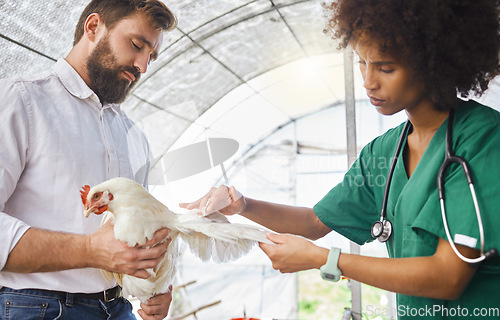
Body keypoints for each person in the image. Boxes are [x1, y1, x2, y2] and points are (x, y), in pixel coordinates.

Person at [181, 0, 500, 319]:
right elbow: (314, 223)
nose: (368, 81)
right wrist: (243, 205)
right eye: (362, 62)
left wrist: (326, 260)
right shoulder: (383, 153)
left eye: (385, 67)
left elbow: (448, 277)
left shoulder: (485, 139)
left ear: (435, 63)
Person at [0, 0, 178, 319]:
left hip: (118, 307)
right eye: (137, 45)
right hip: (36, 306)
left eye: (151, 56)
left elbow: (143, 225)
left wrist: (160, 285)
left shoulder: (133, 135)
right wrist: (89, 250)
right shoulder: (21, 101)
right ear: (94, 27)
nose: (143, 66)